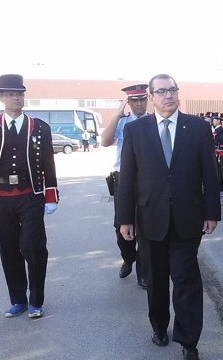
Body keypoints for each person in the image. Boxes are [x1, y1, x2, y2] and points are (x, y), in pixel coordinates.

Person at [116, 74, 221, 360]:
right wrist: (124, 219)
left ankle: (188, 341)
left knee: (187, 281)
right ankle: (160, 326)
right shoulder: (137, 131)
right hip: (150, 219)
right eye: (161, 91)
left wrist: (212, 211)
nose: (169, 96)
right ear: (151, 97)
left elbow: (210, 173)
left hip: (188, 218)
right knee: (157, 280)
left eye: (173, 90)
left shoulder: (197, 128)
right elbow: (127, 179)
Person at [0, 74, 59, 318]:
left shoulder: (39, 126)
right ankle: (17, 299)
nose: (16, 98)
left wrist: (51, 195)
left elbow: (48, 164)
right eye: (10, 94)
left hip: (31, 196)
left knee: (33, 247)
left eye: (19, 93)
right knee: (8, 250)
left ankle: (36, 301)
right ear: (1, 97)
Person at [100, 84, 149, 287]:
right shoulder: (123, 122)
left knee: (146, 227)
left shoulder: (154, 122)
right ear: (129, 102)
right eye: (134, 100)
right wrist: (119, 112)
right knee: (121, 226)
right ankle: (129, 258)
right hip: (124, 178)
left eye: (141, 99)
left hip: (148, 179)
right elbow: (105, 141)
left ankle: (144, 273)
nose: (138, 104)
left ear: (147, 100)